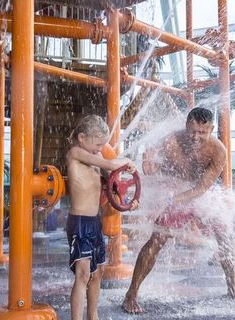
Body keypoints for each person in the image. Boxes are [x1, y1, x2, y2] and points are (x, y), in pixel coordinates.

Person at [122, 107, 235, 314]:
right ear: (186, 126)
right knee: (157, 239)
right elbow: (151, 170)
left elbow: (201, 189)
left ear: (211, 129)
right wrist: (149, 164)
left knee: (225, 235)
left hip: (198, 195)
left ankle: (232, 287)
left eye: (202, 132)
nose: (196, 137)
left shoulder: (218, 151)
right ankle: (131, 295)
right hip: (173, 188)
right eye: (192, 131)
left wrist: (173, 200)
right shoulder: (170, 141)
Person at [66, 115, 138, 320]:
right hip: (79, 222)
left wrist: (128, 202)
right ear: (82, 137)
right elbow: (110, 164)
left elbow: (116, 186)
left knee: (97, 274)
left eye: (103, 144)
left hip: (94, 223)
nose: (100, 148)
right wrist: (125, 162)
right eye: (98, 144)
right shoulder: (76, 153)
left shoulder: (96, 162)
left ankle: (93, 316)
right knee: (83, 275)